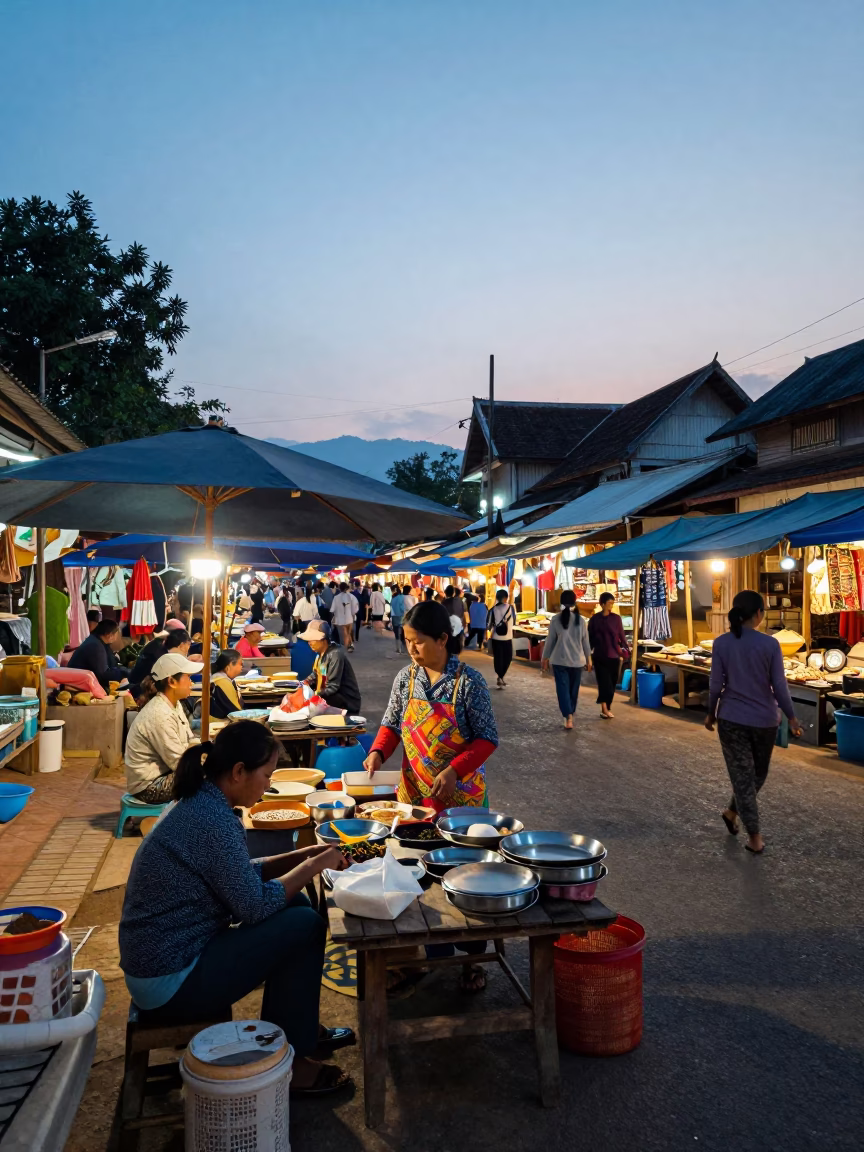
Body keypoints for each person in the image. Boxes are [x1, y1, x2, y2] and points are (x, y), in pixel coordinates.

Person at [118, 721, 354, 1095]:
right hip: (170, 981)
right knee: (305, 923)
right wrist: (310, 867)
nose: (268, 784)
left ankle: (299, 1031)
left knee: (299, 904)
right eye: (266, 775)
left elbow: (236, 875)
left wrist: (303, 855)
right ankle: (293, 1058)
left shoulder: (202, 802)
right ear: (239, 772)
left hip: (162, 964)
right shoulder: (210, 818)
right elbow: (252, 907)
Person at [364, 600, 498, 993]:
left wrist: (455, 770)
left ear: (443, 639)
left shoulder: (469, 682)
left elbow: (487, 738)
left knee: (465, 877)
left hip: (462, 799)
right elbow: (391, 724)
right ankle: (416, 956)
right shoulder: (406, 679)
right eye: (407, 641)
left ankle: (472, 961)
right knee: (413, 876)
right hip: (413, 795)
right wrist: (377, 751)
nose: (411, 650)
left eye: (418, 642)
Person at [706, 590, 803, 855]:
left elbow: (715, 684)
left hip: (732, 719)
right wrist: (792, 718)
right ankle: (755, 837)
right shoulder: (770, 644)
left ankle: (731, 812)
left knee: (748, 778)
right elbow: (780, 687)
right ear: (759, 614)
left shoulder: (722, 643)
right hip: (764, 720)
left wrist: (710, 712)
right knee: (752, 777)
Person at [124, 652, 201, 801]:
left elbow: (189, 740)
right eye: (188, 678)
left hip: (165, 773)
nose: (191, 683)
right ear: (172, 681)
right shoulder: (159, 715)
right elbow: (179, 763)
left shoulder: (174, 703)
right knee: (209, 778)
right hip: (149, 787)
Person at [542, 591, 592, 730]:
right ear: (575, 602)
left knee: (563, 689)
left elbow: (550, 641)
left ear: (561, 602)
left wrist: (545, 658)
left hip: (560, 660)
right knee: (573, 690)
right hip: (577, 661)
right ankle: (570, 712)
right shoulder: (580, 620)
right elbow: (585, 642)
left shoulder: (556, 619)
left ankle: (567, 716)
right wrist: (589, 659)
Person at [298, 621, 361, 712]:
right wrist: (303, 683)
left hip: (346, 702)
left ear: (323, 639)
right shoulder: (320, 654)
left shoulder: (335, 655)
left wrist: (315, 694)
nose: (309, 643)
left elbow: (333, 687)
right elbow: (316, 674)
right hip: (329, 695)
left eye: (312, 639)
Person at [128, 622, 199, 699]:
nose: (188, 651)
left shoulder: (163, 650)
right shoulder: (161, 658)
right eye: (188, 645)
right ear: (182, 645)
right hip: (140, 693)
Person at [588, 592, 629, 719]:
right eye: (609, 603)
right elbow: (589, 638)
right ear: (602, 604)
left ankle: (606, 707)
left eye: (612, 603)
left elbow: (621, 635)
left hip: (614, 655)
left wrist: (626, 649)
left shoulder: (616, 619)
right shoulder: (594, 619)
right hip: (599, 656)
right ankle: (604, 709)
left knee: (612, 683)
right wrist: (587, 656)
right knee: (603, 683)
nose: (611, 605)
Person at [69, 618, 130, 692]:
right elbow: (103, 675)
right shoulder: (95, 646)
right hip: (78, 685)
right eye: (116, 635)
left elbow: (111, 664)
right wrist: (125, 673)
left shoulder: (97, 641)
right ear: (109, 635)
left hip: (86, 681)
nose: (117, 638)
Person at [486, 589, 517, 687]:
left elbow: (488, 625)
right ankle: (501, 676)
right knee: (508, 658)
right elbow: (515, 621)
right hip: (508, 638)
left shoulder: (492, 609)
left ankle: (500, 676)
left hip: (496, 638)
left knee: (498, 658)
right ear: (505, 598)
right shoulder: (511, 608)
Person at [210, 649, 246, 719]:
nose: (242, 667)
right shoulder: (223, 682)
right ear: (230, 665)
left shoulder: (218, 678)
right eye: (240, 664)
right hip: (221, 722)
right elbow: (236, 712)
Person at [331, 582, 359, 651]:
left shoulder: (336, 597)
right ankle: (350, 646)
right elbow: (355, 607)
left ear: (339, 588)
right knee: (348, 633)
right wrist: (353, 614)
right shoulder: (351, 596)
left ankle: (347, 647)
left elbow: (333, 609)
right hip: (350, 617)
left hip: (341, 618)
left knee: (345, 633)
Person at [441, 585, 467, 652]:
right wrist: (464, 623)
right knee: (456, 644)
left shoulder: (444, 602)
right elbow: (463, 613)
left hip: (448, 626)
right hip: (458, 625)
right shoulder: (460, 601)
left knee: (449, 644)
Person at [389, 585, 408, 654]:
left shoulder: (394, 598)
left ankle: (398, 648)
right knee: (402, 632)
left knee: (396, 633)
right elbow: (402, 607)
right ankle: (403, 648)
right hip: (401, 616)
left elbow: (392, 605)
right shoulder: (401, 597)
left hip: (394, 616)